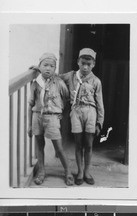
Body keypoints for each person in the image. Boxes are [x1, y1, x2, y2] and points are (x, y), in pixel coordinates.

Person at [28, 53, 74, 186]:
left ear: (55, 68)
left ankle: (68, 171)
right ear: (40, 66)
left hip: (52, 117)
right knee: (39, 145)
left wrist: (62, 113)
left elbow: (67, 98)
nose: (48, 68)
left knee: (58, 147)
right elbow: (31, 104)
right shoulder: (36, 83)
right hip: (37, 116)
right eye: (45, 65)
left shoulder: (59, 82)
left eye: (52, 66)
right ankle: (41, 171)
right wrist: (29, 125)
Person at [60, 48, 104, 185]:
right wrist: (39, 69)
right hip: (76, 112)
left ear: (93, 65)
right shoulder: (71, 76)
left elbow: (100, 103)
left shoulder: (96, 81)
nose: (85, 67)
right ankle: (79, 171)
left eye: (89, 64)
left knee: (89, 145)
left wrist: (99, 122)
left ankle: (87, 172)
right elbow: (56, 77)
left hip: (91, 113)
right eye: (83, 63)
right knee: (78, 144)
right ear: (78, 62)